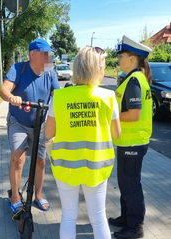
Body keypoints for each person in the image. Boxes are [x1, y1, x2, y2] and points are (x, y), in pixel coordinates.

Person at [45, 46, 121, 239]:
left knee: (69, 216)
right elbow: (117, 134)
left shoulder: (60, 97)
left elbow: (48, 132)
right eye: (102, 66)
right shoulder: (108, 97)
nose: (104, 70)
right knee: (98, 217)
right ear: (96, 69)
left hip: (65, 166)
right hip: (97, 166)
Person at [0, 39, 60, 214]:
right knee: (18, 158)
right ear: (33, 54)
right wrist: (11, 97)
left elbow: (58, 95)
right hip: (18, 121)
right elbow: (3, 90)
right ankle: (15, 197)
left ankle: (38, 195)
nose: (49, 59)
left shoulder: (50, 73)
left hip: (40, 123)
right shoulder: (19, 69)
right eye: (45, 55)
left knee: (40, 161)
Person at [108, 36, 153, 239]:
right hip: (129, 141)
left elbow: (134, 114)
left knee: (131, 184)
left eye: (122, 56)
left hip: (133, 142)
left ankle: (135, 226)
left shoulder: (134, 80)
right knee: (125, 182)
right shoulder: (133, 78)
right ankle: (126, 218)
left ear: (132, 58)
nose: (119, 59)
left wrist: (111, 119)